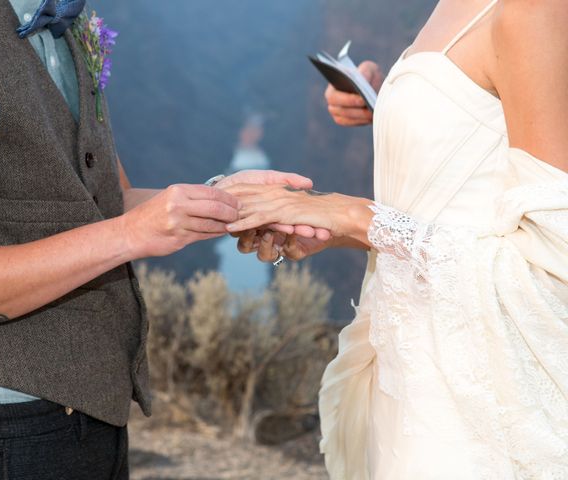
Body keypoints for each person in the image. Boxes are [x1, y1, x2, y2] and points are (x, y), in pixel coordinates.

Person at [0, 1, 316, 478]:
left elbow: (108, 201)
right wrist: (131, 235)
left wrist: (226, 201)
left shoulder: (71, 20)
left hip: (91, 416)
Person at [226, 0, 568, 478]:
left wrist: (348, 213)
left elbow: (554, 262)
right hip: (407, 374)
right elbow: (453, 204)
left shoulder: (534, 10)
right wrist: (336, 225)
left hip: (479, 397)